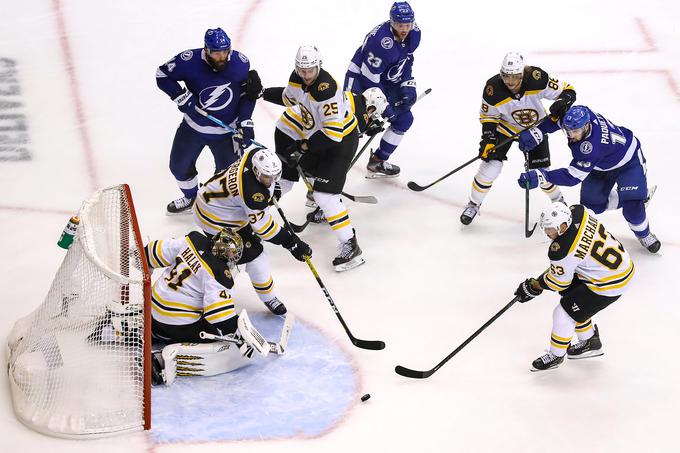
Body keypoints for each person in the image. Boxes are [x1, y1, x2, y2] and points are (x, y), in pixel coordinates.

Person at [258, 45, 364, 272]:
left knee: (324, 196)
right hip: (316, 135)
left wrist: (303, 146)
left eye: (310, 70)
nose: (306, 75)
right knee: (289, 154)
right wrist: (262, 92)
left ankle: (350, 244)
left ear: (319, 66)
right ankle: (319, 204)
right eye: (302, 70)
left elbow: (333, 135)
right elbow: (288, 99)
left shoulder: (326, 90)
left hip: (340, 142)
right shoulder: (297, 79)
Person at [517, 105, 661, 253]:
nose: (571, 135)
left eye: (576, 131)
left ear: (586, 126)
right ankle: (633, 196)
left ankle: (644, 232)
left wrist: (543, 176)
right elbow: (558, 121)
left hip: (628, 162)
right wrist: (539, 131)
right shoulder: (579, 117)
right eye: (569, 131)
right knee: (592, 206)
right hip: (599, 165)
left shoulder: (590, 147)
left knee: (633, 210)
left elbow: (572, 177)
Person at [513, 202, 636, 371]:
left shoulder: (561, 249)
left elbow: (558, 281)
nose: (548, 233)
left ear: (563, 226)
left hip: (609, 283)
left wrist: (535, 286)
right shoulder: (579, 211)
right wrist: (539, 282)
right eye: (546, 229)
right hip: (621, 266)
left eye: (550, 229)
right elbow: (566, 274)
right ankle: (589, 341)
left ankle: (556, 355)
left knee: (563, 313)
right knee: (571, 296)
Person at [156, 27, 264, 215]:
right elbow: (162, 75)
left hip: (227, 132)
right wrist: (180, 97)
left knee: (227, 177)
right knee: (179, 167)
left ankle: (214, 206)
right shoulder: (188, 61)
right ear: (206, 50)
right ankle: (191, 198)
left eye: (225, 51)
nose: (222, 57)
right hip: (193, 127)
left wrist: (245, 122)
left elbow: (248, 94)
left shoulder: (240, 63)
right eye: (216, 53)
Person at [460, 52, 575, 225]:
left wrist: (563, 102)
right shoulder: (493, 89)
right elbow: (488, 117)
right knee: (490, 167)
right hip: (506, 128)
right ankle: (473, 204)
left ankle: (559, 201)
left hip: (536, 129)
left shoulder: (537, 78)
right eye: (506, 76)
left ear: (522, 74)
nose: (511, 82)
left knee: (541, 173)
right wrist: (488, 138)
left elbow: (568, 90)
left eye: (515, 77)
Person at [193, 147, 312, 313]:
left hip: (208, 202)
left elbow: (263, 182)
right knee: (256, 256)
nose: (270, 180)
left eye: (274, 176)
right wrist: (291, 242)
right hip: (217, 221)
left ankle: (216, 275)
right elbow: (264, 228)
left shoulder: (253, 154)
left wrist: (271, 190)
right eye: (266, 177)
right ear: (256, 170)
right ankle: (267, 297)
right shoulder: (252, 193)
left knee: (235, 254)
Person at [145, 227, 269, 385]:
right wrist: (238, 336)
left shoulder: (191, 240)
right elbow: (218, 316)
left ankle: (147, 331)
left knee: (168, 314)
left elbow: (152, 251)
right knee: (215, 336)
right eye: (233, 254)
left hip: (152, 308)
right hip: (175, 326)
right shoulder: (219, 273)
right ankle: (160, 360)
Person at [343, 1, 420, 178]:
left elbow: (407, 59)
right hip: (361, 80)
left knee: (404, 119)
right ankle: (329, 174)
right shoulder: (380, 44)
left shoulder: (414, 33)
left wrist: (407, 83)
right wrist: (384, 109)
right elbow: (369, 80)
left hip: (385, 79)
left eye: (408, 24)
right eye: (401, 25)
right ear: (392, 23)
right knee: (353, 128)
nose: (405, 29)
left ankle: (377, 161)